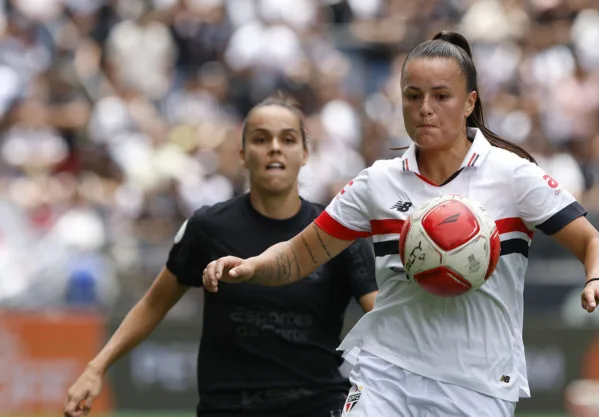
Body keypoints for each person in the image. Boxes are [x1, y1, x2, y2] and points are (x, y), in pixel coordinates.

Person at [202, 31, 599, 417]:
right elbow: (298, 255)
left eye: (441, 96)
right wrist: (254, 266)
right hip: (386, 372)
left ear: (470, 102)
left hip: (479, 384)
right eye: (413, 96)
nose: (424, 109)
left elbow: (594, 243)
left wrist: (598, 277)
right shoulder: (377, 182)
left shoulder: (514, 176)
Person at [64, 93, 378, 417]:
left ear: (305, 154)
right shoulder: (208, 227)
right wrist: (96, 367)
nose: (274, 147)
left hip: (317, 407)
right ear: (242, 154)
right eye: (260, 139)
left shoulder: (338, 234)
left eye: (287, 139)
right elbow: (153, 303)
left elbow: (381, 318)